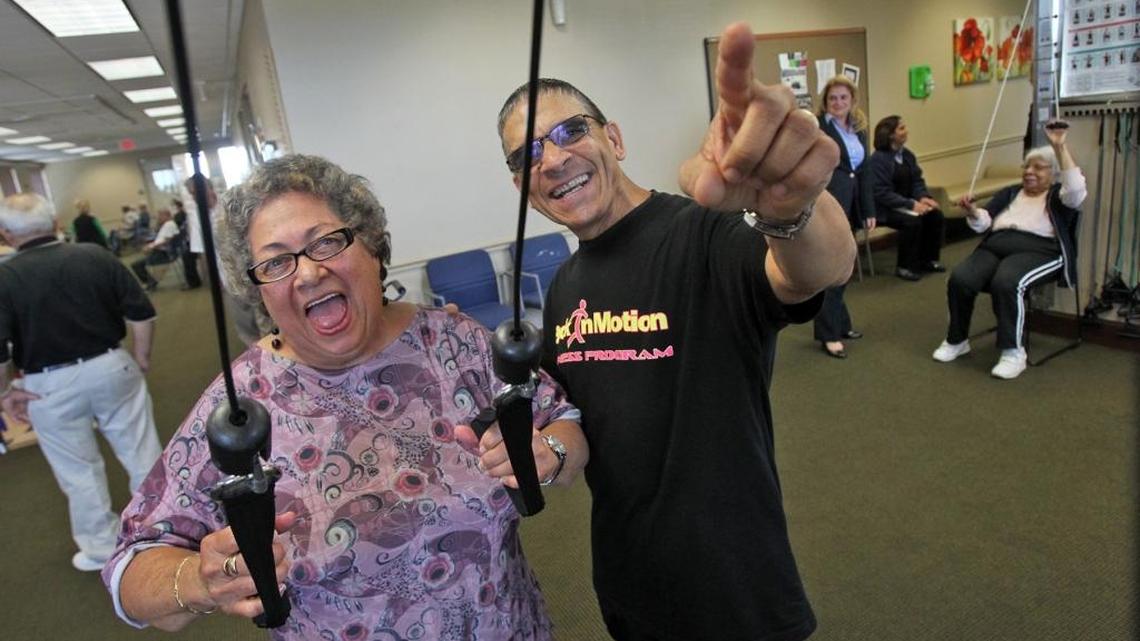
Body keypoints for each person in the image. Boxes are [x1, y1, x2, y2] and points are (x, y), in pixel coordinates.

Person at [102, 154, 587, 640]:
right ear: (260, 294)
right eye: (275, 262)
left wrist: (551, 452)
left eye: (326, 242)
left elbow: (563, 419)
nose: (308, 274)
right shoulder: (240, 408)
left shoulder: (453, 341)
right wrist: (199, 582)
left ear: (371, 246)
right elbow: (130, 570)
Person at [492, 22, 854, 641]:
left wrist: (789, 206)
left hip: (738, 587)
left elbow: (815, 272)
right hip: (631, 585)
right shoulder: (563, 285)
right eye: (527, 155)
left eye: (568, 131)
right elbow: (570, 417)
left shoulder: (703, 233)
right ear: (521, 185)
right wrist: (545, 448)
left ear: (615, 138)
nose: (551, 159)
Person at [0, 193, 162, 572]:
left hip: (46, 384)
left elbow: (1, 351)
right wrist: (141, 357)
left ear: (6, 234)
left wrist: (5, 392)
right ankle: (161, 527)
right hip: (110, 363)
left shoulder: (4, 278)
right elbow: (142, 313)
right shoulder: (95, 255)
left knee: (78, 471)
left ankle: (101, 549)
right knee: (141, 450)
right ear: (56, 221)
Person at [933, 121, 1085, 380]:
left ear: (1053, 173)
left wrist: (1059, 147)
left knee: (1007, 281)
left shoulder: (1060, 195)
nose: (1029, 171)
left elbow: (1077, 189)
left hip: (1041, 250)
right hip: (996, 246)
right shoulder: (1011, 192)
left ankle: (1014, 353)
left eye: (1038, 167)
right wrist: (972, 211)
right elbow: (984, 222)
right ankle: (957, 340)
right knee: (960, 278)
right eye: (1026, 166)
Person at [814, 75, 874, 358]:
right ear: (825, 102)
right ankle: (828, 334)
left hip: (851, 205)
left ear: (852, 101)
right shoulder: (817, 129)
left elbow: (863, 171)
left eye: (843, 98)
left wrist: (869, 209)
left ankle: (841, 322)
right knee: (832, 270)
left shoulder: (859, 130)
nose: (838, 103)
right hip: (828, 205)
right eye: (832, 98)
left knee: (845, 266)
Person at [868, 115, 946, 280]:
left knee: (935, 215)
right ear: (890, 135)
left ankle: (928, 260)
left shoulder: (908, 155)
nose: (906, 131)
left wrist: (923, 197)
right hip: (884, 208)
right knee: (911, 222)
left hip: (906, 204)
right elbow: (881, 193)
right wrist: (911, 204)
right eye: (901, 128)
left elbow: (917, 180)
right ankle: (905, 266)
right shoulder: (878, 160)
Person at [130, 208, 182, 291]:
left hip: (163, 253)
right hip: (159, 251)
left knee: (137, 265)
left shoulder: (169, 225)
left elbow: (167, 241)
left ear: (166, 215)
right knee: (137, 264)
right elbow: (162, 239)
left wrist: (150, 247)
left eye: (160, 216)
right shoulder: (167, 224)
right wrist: (150, 246)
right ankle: (151, 282)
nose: (159, 217)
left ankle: (151, 283)